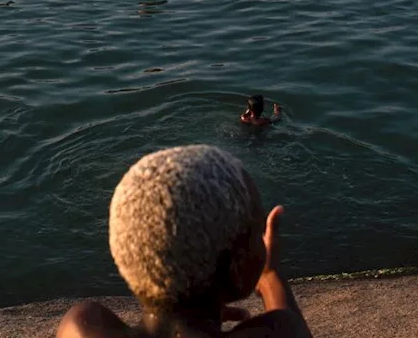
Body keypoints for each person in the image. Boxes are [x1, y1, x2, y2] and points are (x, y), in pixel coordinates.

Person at [55, 145, 311, 338]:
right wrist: (269, 277)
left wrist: (190, 307)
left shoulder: (79, 325)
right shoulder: (282, 331)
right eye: (255, 233)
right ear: (238, 267)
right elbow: (288, 324)